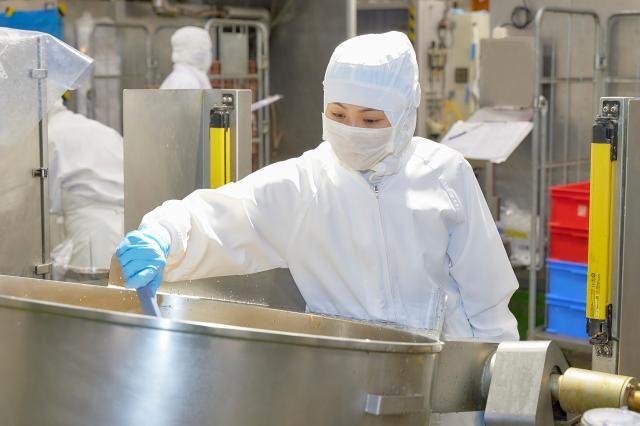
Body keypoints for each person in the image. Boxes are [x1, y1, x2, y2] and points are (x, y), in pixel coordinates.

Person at [118, 31, 519, 341]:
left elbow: (488, 301)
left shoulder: (445, 174)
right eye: (338, 114)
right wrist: (163, 235)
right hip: (341, 382)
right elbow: (223, 215)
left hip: (444, 386)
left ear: (405, 115)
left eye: (371, 120)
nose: (352, 129)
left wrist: (497, 389)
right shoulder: (305, 185)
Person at [48, 98, 124, 280]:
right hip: (127, 232)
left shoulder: (48, 136)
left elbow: (46, 201)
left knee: (89, 291)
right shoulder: (104, 131)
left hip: (87, 241)